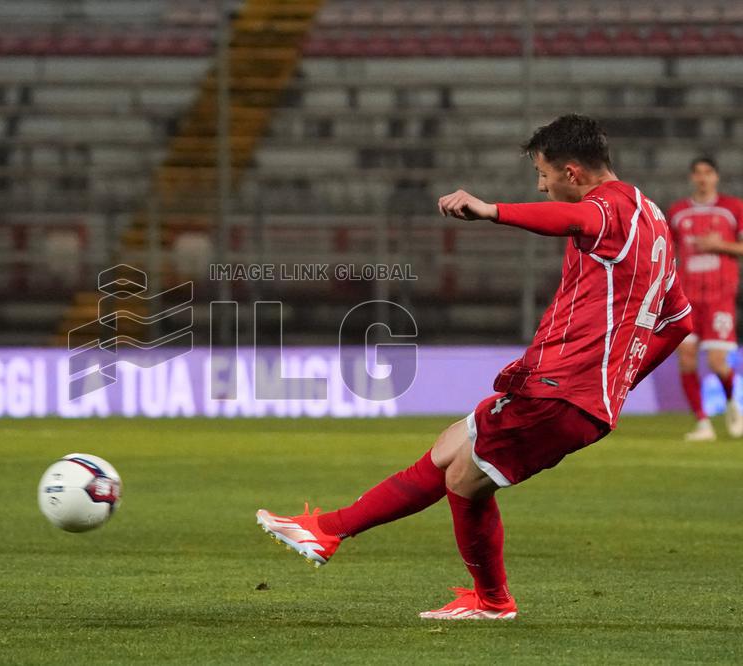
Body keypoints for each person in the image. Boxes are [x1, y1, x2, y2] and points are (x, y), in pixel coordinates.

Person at [256, 115, 693, 620]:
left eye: (543, 173)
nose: (541, 184)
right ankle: (328, 530)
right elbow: (679, 319)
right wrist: (619, 382)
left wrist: (492, 211)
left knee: (464, 479)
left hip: (563, 388)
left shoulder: (604, 210)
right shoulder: (653, 217)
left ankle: (491, 600)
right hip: (572, 389)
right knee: (451, 448)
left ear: (572, 173)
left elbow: (576, 221)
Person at [667, 158, 743, 441]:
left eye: (708, 172)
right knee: (686, 361)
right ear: (691, 177)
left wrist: (719, 245)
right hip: (686, 299)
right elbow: (668, 251)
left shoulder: (733, 209)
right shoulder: (677, 213)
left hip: (719, 298)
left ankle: (733, 403)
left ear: (717, 177)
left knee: (717, 363)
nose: (702, 178)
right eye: (697, 173)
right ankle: (703, 423)